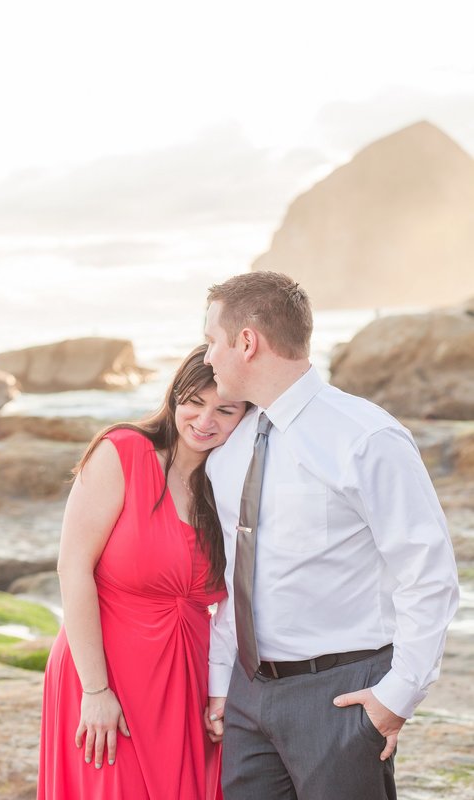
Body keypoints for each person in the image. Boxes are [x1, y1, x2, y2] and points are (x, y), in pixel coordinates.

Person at [202, 271, 459, 800]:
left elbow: (428, 572)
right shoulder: (229, 446)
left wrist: (398, 695)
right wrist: (221, 680)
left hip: (341, 696)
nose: (206, 358)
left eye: (211, 341)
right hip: (248, 698)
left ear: (246, 342)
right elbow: (236, 571)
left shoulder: (367, 437)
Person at [37, 344, 247, 800]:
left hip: (187, 684)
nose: (205, 420)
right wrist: (95, 690)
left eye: (225, 410)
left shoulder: (228, 488)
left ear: (244, 417)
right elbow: (73, 567)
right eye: (194, 401)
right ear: (174, 396)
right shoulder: (124, 451)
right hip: (105, 671)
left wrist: (219, 688)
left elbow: (236, 601)